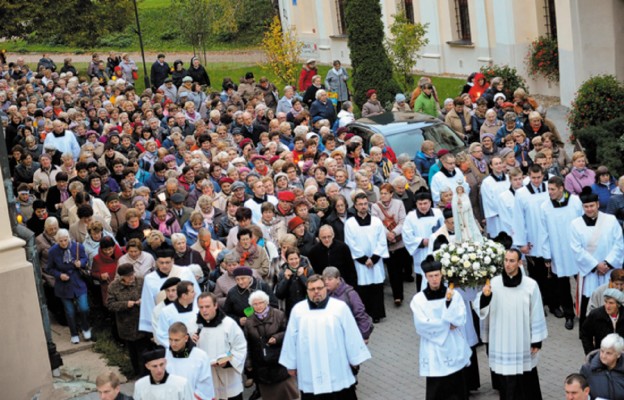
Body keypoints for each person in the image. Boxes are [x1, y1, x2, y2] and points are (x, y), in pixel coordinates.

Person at [279, 275, 371, 399]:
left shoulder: (339, 307)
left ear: (325, 289)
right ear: (307, 291)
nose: (316, 292)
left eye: (319, 288)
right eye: (312, 289)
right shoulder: (298, 310)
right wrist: (291, 364)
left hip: (337, 366)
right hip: (309, 367)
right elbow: (291, 339)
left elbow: (351, 333)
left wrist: (355, 359)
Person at [475, 248, 548, 400]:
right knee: (506, 384)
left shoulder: (530, 285)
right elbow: (480, 308)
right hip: (502, 341)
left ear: (520, 262)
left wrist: (536, 340)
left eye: (512, 261)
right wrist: (485, 297)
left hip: (523, 341)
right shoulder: (494, 283)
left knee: (526, 382)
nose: (508, 264)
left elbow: (536, 312)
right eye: (506, 260)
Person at [410, 255, 471, 400]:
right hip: (433, 348)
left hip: (452, 344)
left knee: (457, 386)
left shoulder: (453, 295)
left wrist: (447, 318)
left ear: (441, 274)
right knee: (437, 388)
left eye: (437, 275)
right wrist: (446, 324)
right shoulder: (419, 299)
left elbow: (461, 317)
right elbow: (421, 325)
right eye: (430, 276)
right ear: (425, 277)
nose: (434, 279)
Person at [570, 187, 624, 327]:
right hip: (590, 272)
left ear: (598, 204)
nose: (589, 209)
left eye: (592, 205)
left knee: (612, 298)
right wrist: (595, 265)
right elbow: (576, 249)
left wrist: (607, 263)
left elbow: (619, 244)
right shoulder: (575, 224)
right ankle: (589, 329)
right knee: (591, 299)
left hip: (609, 270)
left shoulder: (611, 220)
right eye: (586, 206)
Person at [540, 176, 583, 330]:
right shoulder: (545, 207)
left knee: (581, 283)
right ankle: (569, 315)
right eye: (548, 189)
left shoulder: (576, 202)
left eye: (552, 189)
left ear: (561, 188)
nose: (549, 192)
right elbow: (543, 232)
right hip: (558, 252)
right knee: (563, 286)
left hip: (576, 250)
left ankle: (583, 312)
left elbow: (583, 225)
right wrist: (547, 255)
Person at [243, 291, 299, 400]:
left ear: (266, 302)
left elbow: (288, 333)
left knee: (288, 394)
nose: (258, 306)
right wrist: (248, 363)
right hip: (261, 366)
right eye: (255, 304)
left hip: (280, 363)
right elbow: (248, 343)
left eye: (261, 303)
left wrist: (276, 338)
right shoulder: (249, 322)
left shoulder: (279, 314)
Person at [344, 192, 389, 322]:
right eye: (360, 204)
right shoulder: (350, 223)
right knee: (363, 288)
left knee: (376, 287)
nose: (363, 207)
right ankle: (365, 313)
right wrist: (364, 259)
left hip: (376, 260)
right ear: (355, 206)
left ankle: (377, 314)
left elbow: (382, 241)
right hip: (360, 262)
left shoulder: (376, 221)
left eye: (365, 204)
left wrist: (374, 258)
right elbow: (350, 243)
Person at [195, 292, 247, 400]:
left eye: (207, 306)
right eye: (201, 307)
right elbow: (186, 354)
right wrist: (188, 344)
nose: (204, 310)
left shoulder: (229, 324)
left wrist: (225, 361)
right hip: (207, 378)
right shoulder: (195, 325)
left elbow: (239, 348)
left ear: (215, 305)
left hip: (228, 377)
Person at [138, 249, 200, 334]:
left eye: (167, 262)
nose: (164, 265)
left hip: (188, 315)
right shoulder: (150, 279)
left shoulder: (185, 272)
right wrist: (152, 330)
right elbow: (148, 303)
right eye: (161, 262)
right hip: (164, 318)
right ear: (156, 262)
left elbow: (196, 295)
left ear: (173, 261)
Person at [47, 229, 90, 344]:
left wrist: (81, 263)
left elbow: (85, 258)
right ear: (57, 241)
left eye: (65, 240)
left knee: (84, 307)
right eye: (60, 241)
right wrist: (59, 275)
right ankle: (74, 334)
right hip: (63, 285)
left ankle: (85, 328)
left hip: (77, 281)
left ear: (69, 238)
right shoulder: (52, 251)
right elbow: (49, 268)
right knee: (70, 312)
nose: (64, 243)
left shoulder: (77, 246)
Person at [107, 264, 151, 377]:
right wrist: (126, 304)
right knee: (133, 351)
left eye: (132, 274)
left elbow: (150, 296)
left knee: (144, 350)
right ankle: (137, 372)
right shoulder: (113, 286)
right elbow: (110, 305)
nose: (131, 277)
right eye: (128, 276)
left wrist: (143, 300)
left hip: (142, 322)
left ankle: (145, 373)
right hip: (126, 324)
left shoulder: (141, 281)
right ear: (121, 277)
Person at [371, 183, 409, 305]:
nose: (383, 196)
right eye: (381, 193)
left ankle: (399, 294)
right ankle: (397, 296)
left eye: (385, 193)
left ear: (391, 194)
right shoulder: (375, 207)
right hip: (385, 243)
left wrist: (394, 232)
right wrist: (388, 234)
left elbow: (403, 221)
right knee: (392, 270)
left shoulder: (399, 204)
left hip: (399, 241)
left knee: (398, 269)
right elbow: (376, 223)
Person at [403, 189, 444, 291]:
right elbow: (407, 235)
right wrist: (422, 242)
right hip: (421, 252)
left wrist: (436, 241)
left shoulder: (438, 213)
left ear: (430, 202)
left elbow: (444, 230)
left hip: (436, 250)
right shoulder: (411, 217)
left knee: (439, 276)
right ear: (416, 203)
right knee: (422, 278)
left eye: (425, 203)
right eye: (420, 203)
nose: (423, 206)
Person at [165, 322, 215, 400]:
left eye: (176, 340)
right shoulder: (164, 356)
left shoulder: (200, 356)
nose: (173, 344)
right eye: (170, 339)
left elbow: (205, 386)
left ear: (186, 338)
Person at [580, 333, 624, 400]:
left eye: (608, 353)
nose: (603, 356)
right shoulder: (587, 369)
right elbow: (580, 392)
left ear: (618, 354)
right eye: (602, 351)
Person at [154, 280, 198, 346]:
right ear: (184, 296)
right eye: (192, 292)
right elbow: (162, 335)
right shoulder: (167, 312)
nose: (195, 293)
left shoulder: (198, 308)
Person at [581, 289, 624, 355]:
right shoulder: (596, 315)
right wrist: (590, 353)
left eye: (611, 303)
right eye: (606, 302)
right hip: (601, 356)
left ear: (618, 305)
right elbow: (585, 334)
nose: (607, 306)